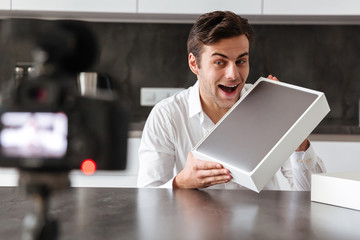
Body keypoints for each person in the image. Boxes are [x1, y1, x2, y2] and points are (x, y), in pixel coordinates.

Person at [137, 11, 325, 190]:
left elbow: (310, 196)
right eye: (220, 62)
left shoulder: (268, 106)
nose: (233, 74)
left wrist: (297, 135)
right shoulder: (167, 116)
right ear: (195, 64)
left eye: (241, 61)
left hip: (263, 223)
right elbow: (147, 197)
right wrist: (182, 182)